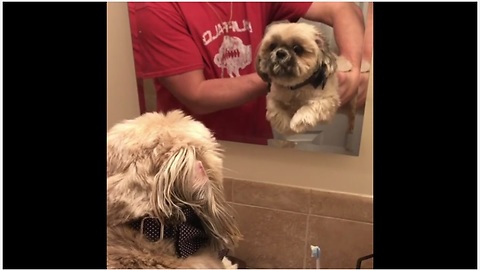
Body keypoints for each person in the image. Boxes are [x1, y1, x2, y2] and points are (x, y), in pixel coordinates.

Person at [129, 2, 365, 145]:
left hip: (254, 143)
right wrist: (286, 76)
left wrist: (353, 67)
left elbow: (342, 8)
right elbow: (196, 96)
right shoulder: (155, 6)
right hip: (189, 153)